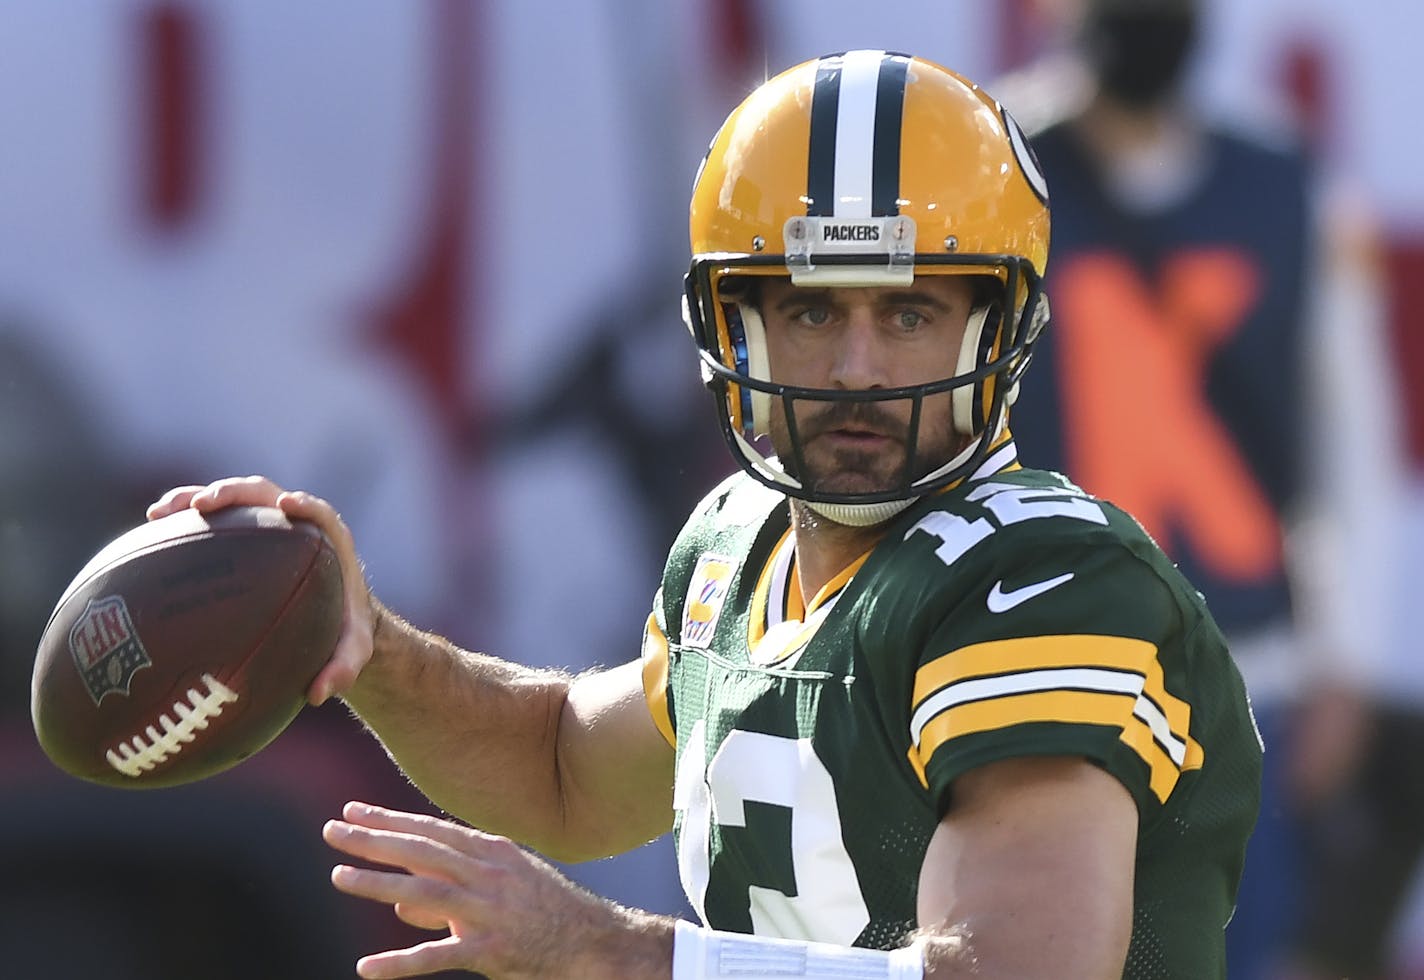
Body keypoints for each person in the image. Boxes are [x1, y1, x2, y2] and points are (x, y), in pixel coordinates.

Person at [148, 51, 1262, 979]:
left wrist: (610, 949)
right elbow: (564, 770)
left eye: (912, 310)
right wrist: (371, 641)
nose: (857, 369)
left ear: (994, 329)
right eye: (810, 311)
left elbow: (1017, 969)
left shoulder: (1045, 580)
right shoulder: (740, 534)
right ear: (734, 326)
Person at [990, 2, 1406, 975]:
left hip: (1239, 685)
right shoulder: (986, 173)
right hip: (1028, 691)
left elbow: (1352, 434)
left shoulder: (1283, 181)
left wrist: (1342, 658)